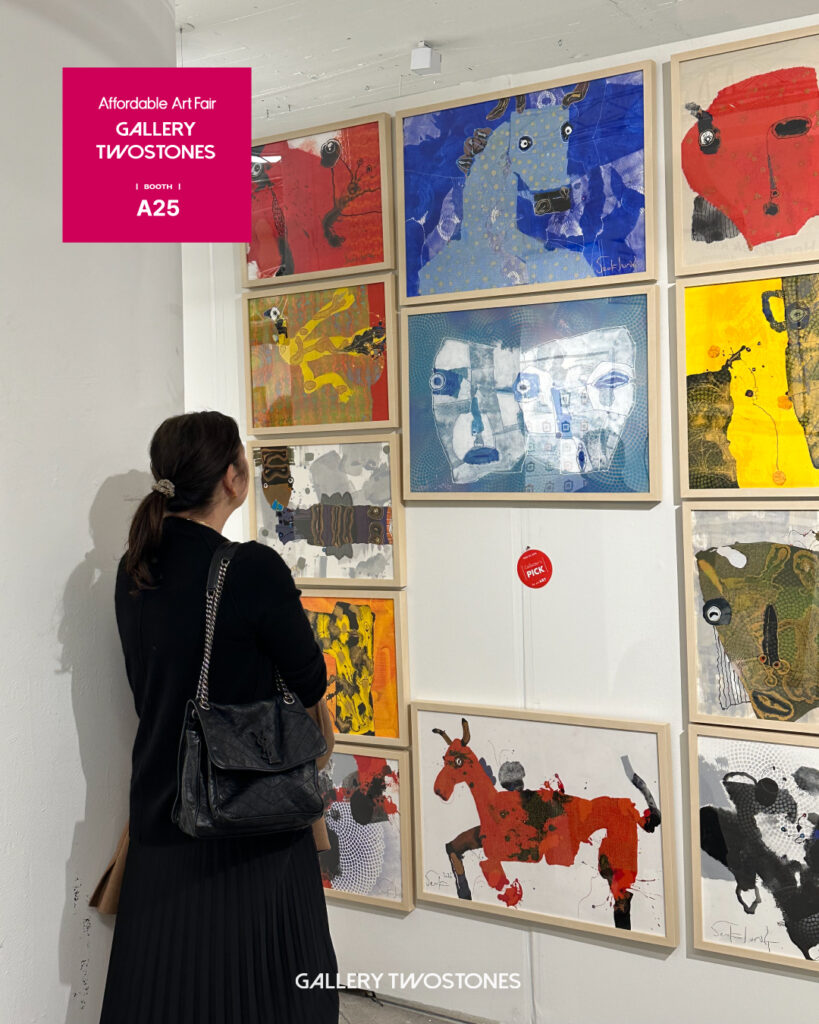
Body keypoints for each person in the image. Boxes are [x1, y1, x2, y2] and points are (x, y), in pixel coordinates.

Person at [99, 410, 339, 1024]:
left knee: (166, 997)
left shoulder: (134, 568)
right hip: (248, 828)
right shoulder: (251, 569)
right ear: (233, 478)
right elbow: (311, 682)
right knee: (267, 995)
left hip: (161, 816)